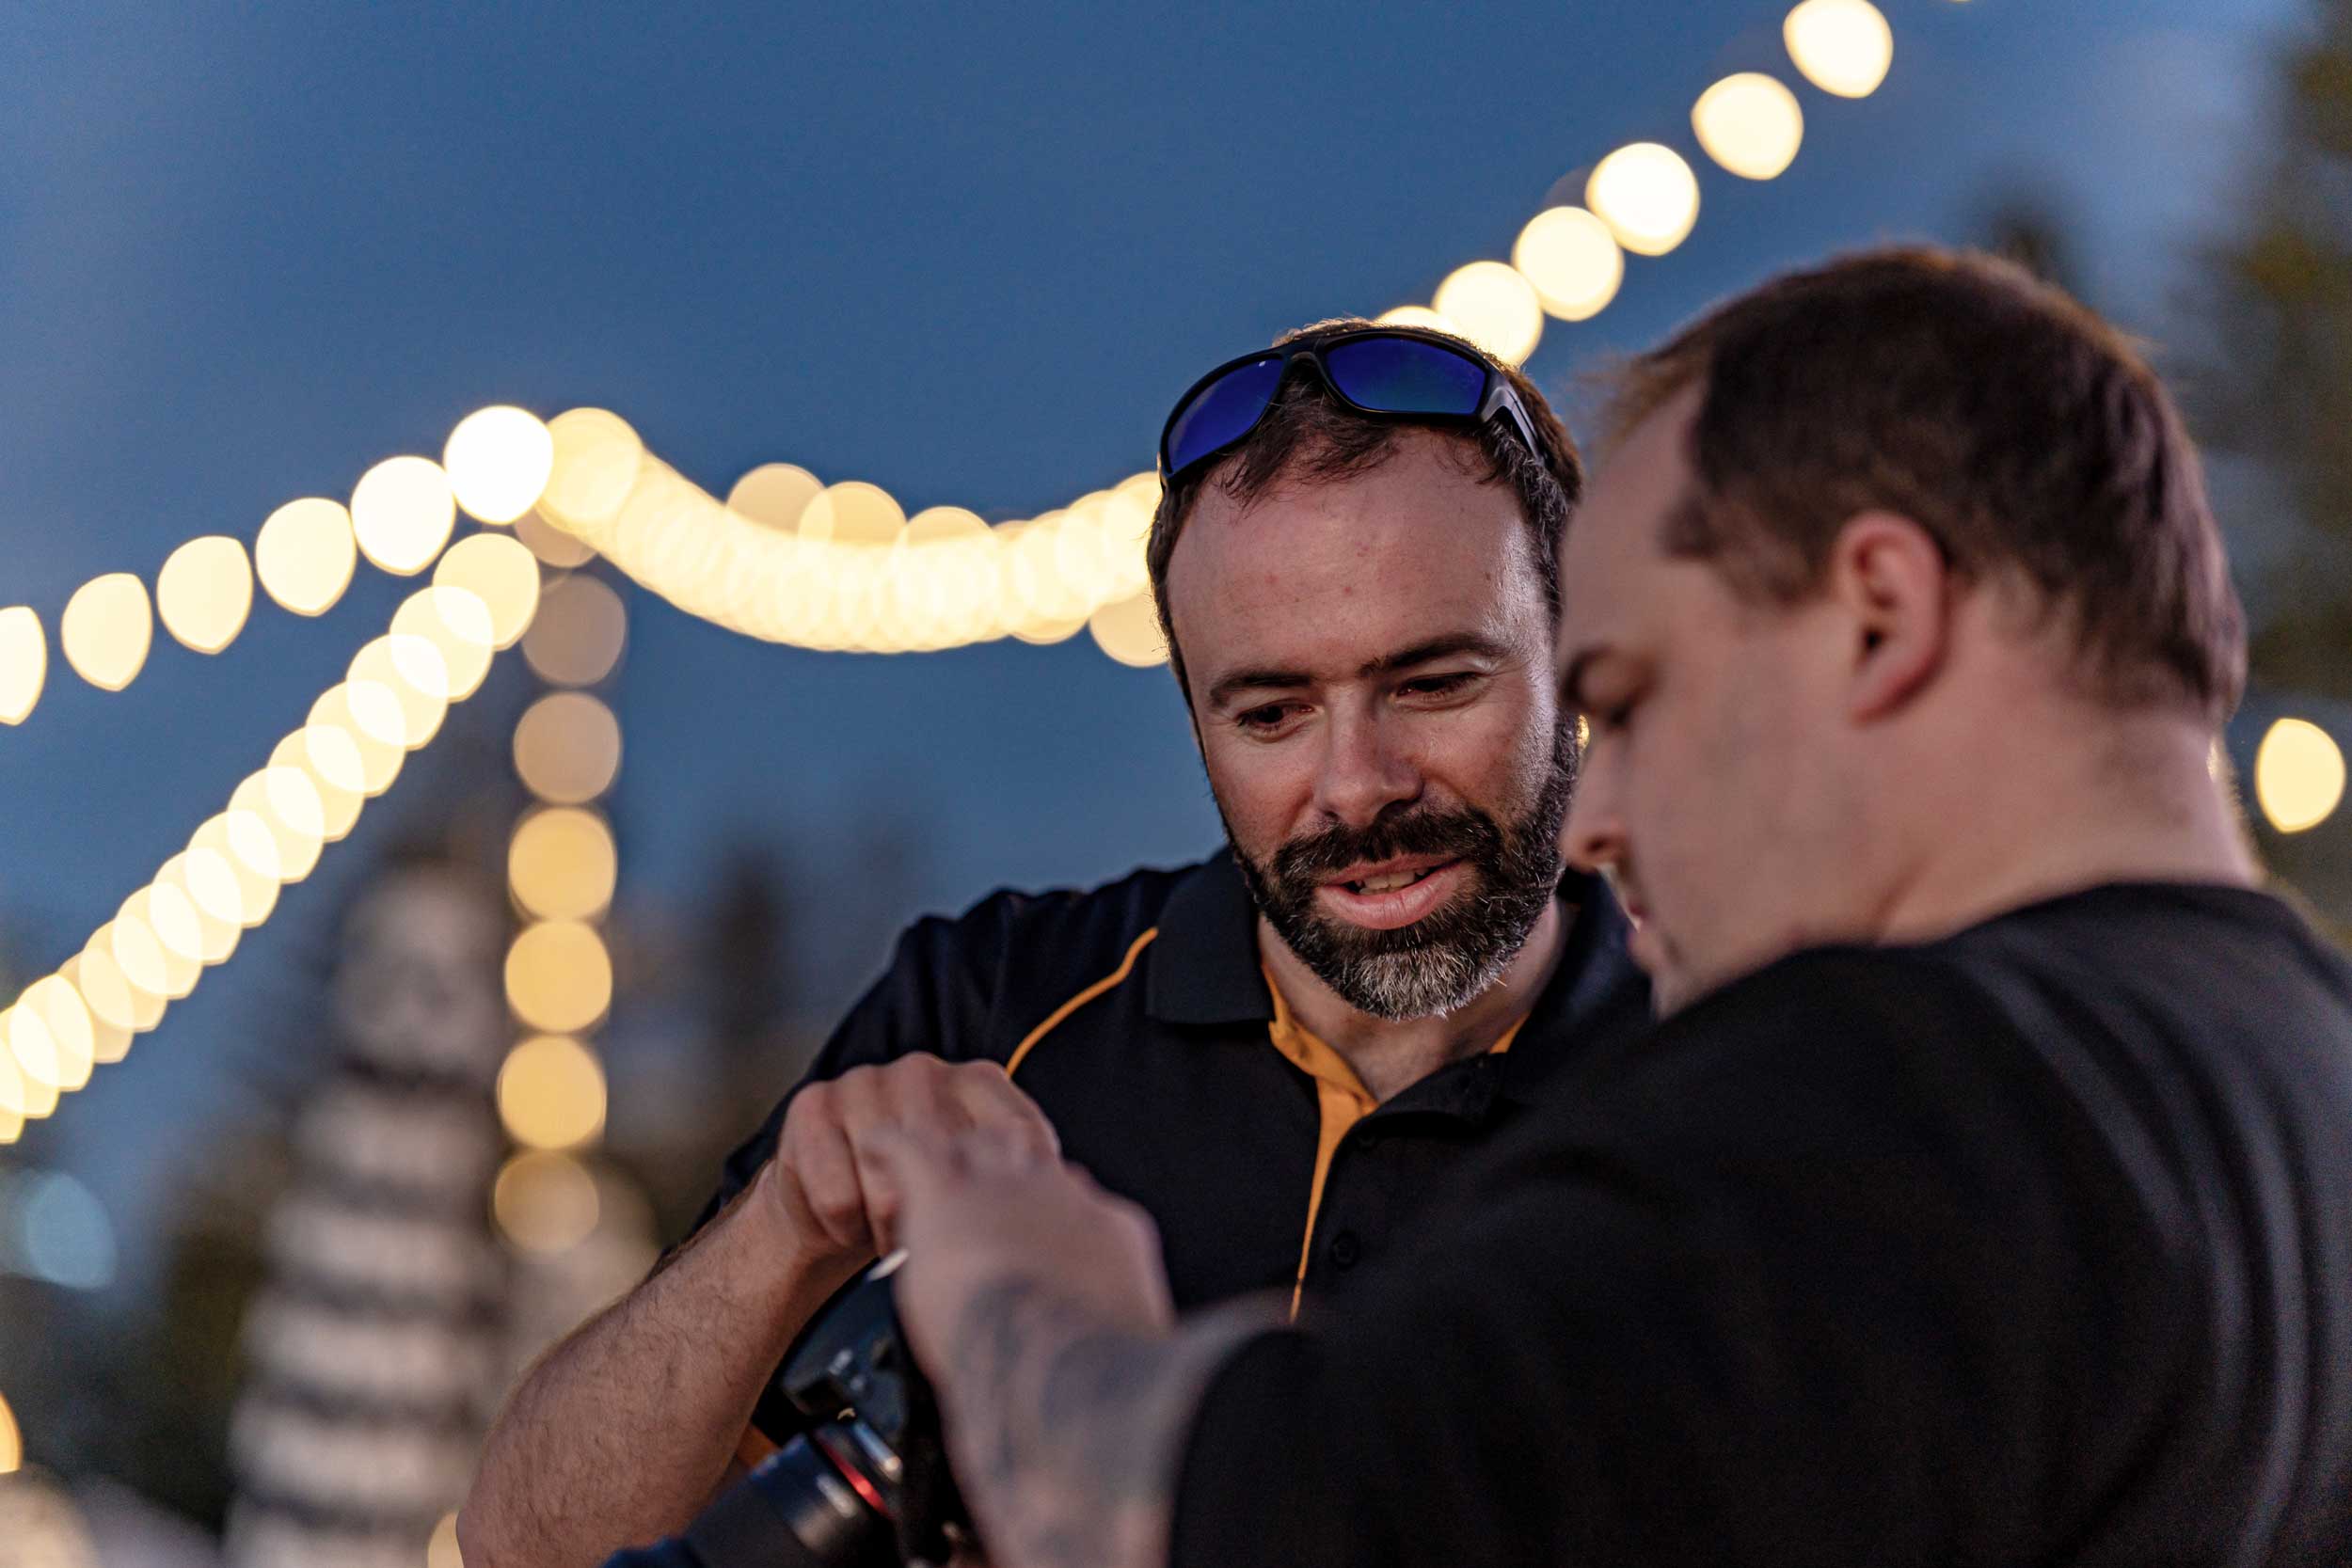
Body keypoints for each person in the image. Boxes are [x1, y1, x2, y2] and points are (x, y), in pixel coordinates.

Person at [866, 246, 2352, 1567]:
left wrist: (1026, 1299)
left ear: (1883, 614)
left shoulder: (1905, 1090)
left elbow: (1240, 1516)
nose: (1604, 819)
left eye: (1630, 702)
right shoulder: (2300, 1068)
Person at [458, 320, 1652, 1566]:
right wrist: (781, 1233)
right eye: (1272, 712)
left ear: (1578, 662)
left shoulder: (1724, 1064)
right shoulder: (996, 1008)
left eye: (1431, 684)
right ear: (1195, 720)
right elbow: (526, 1548)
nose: (1356, 787)